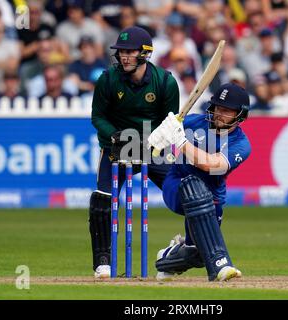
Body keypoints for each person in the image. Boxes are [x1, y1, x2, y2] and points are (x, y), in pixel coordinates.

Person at [89, 26, 180, 278]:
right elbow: (98, 117)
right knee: (102, 200)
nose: (123, 56)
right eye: (121, 52)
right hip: (117, 149)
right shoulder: (108, 79)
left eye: (129, 52)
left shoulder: (165, 81)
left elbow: (169, 123)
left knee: (188, 194)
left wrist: (154, 141)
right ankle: (103, 260)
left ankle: (186, 251)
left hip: (152, 148)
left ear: (144, 53)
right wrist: (115, 137)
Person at [147, 83, 251, 281]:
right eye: (218, 108)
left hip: (213, 198)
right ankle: (221, 265)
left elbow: (212, 165)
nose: (220, 113)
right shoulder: (194, 122)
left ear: (240, 115)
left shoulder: (241, 144)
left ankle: (168, 258)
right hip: (177, 185)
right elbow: (153, 145)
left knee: (198, 253)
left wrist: (182, 143)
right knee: (194, 186)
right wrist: (162, 132)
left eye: (226, 110)